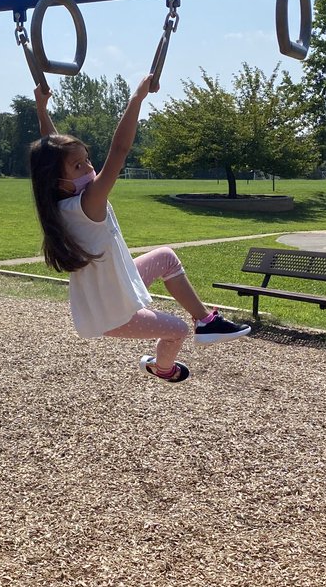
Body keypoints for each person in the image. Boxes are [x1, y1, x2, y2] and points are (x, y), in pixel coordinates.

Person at [29, 76, 250, 383]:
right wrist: (137, 98)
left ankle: (206, 321)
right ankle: (162, 368)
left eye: (87, 160)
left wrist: (42, 109)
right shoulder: (88, 202)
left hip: (118, 286)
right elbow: (119, 151)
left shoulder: (59, 203)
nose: (90, 168)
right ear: (58, 180)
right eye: (79, 167)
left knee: (166, 258)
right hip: (113, 314)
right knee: (177, 331)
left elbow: (51, 154)